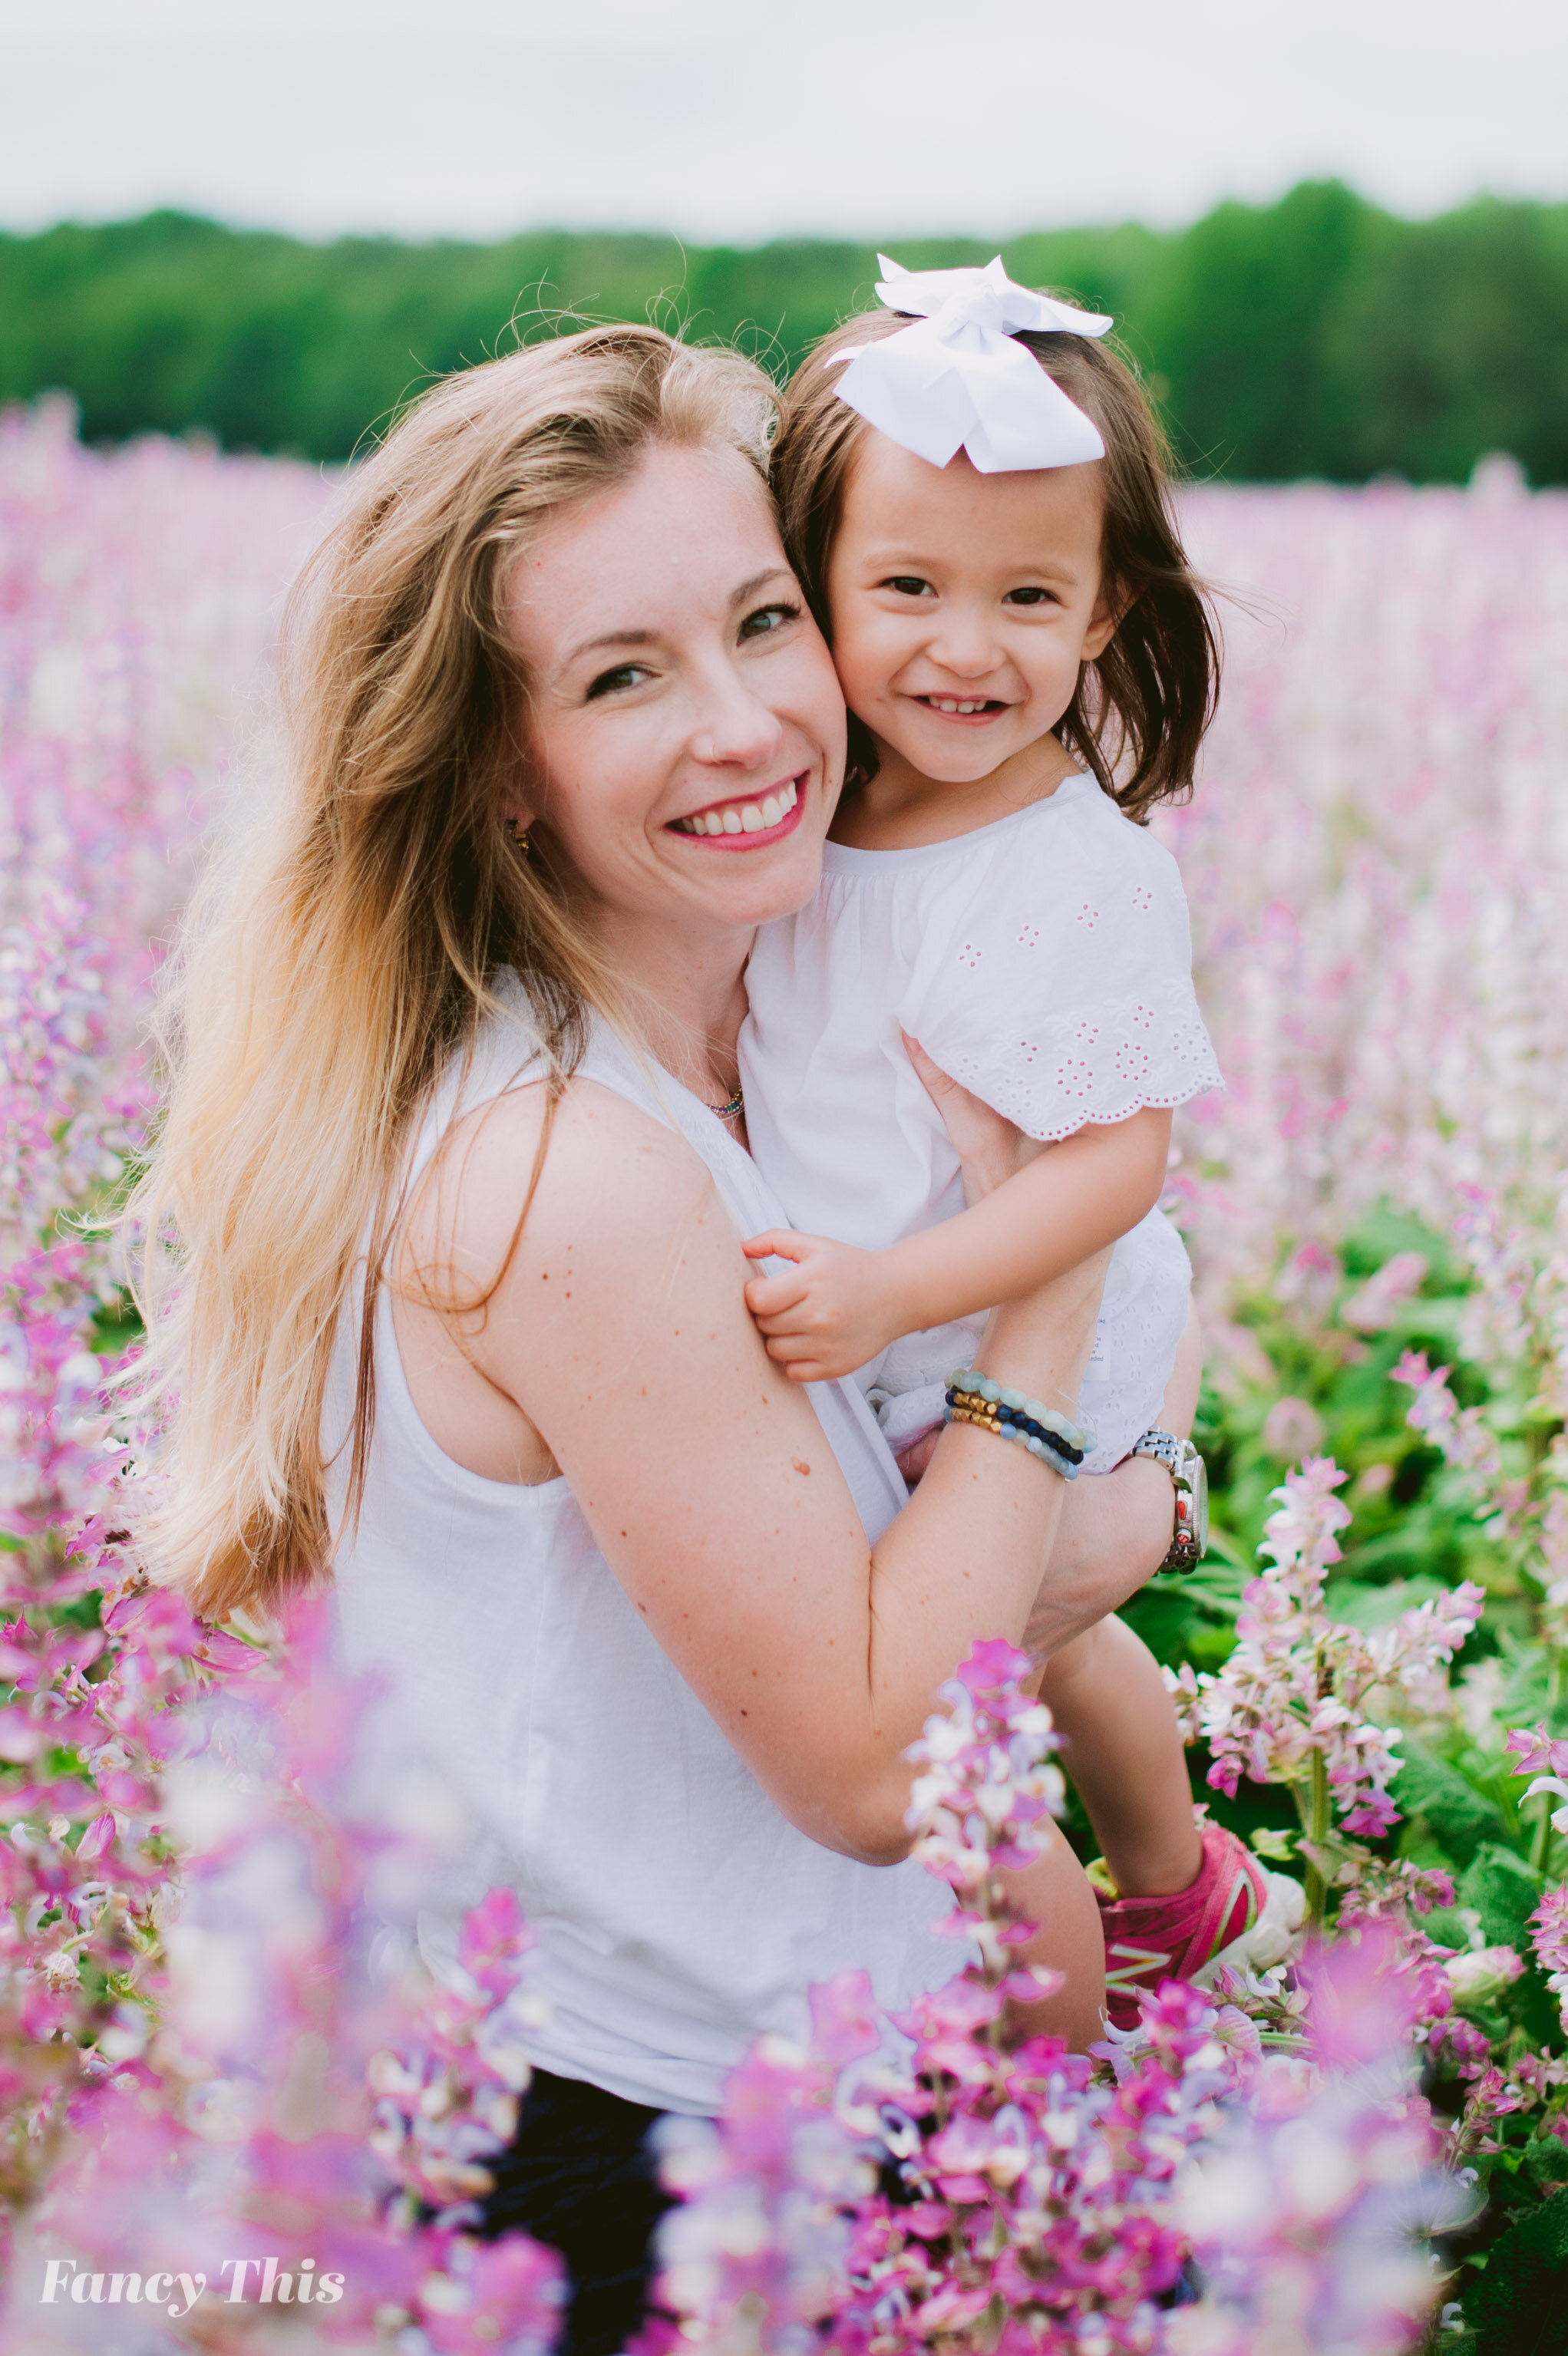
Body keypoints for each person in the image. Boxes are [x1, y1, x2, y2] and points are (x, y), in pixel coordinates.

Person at [128, 324, 1189, 2354]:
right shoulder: (569, 1169)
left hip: (818, 2086)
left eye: (763, 619)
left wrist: (1083, 1502)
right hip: (642, 2163)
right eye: (624, 675)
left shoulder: (788, 993)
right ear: (496, 772)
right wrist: (1051, 1290)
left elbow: (992, 1546)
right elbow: (889, 1756)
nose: (748, 724)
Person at [737, 258, 1302, 2024]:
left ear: (1103, 609)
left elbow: (1105, 1168)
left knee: (955, 1757)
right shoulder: (837, 803)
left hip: (992, 1334)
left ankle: (1055, 2086)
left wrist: (895, 1282)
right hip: (899, 1325)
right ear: (806, 584)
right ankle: (1178, 1871)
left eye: (1025, 596)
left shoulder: (1059, 869)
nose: (962, 648)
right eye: (901, 586)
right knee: (1042, 1647)